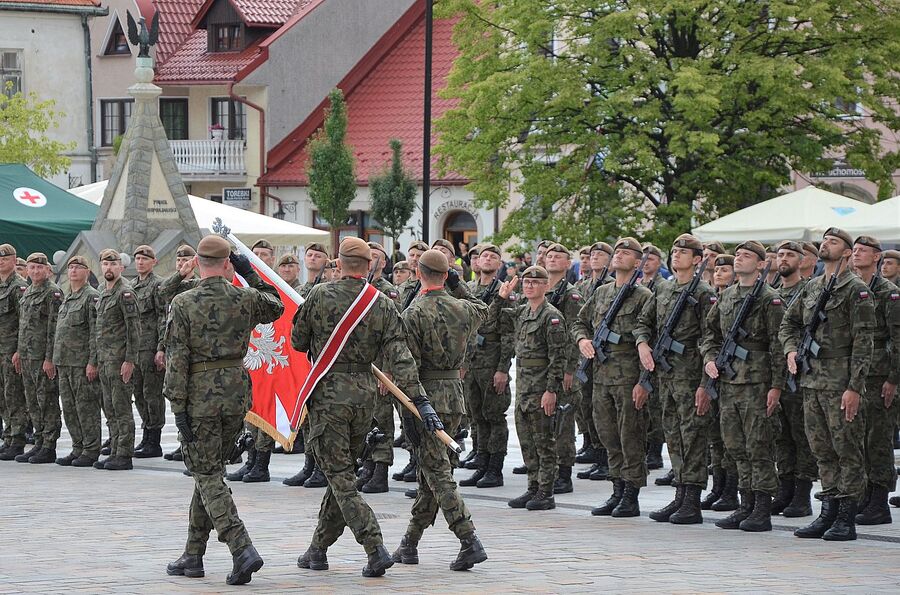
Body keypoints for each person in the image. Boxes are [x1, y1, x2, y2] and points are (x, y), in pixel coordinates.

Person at [292, 237, 439, 578]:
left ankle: (375, 547)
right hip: (365, 396)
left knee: (341, 478)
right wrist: (419, 399)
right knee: (341, 474)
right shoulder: (382, 303)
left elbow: (298, 342)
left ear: (338, 262)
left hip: (329, 394)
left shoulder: (320, 295)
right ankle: (317, 549)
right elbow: (400, 356)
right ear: (369, 265)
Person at [164, 234, 282, 585]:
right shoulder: (245, 296)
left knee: (206, 473)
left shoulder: (184, 301)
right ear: (228, 263)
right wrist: (250, 272)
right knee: (209, 471)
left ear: (198, 263)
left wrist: (177, 406)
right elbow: (276, 304)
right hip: (235, 393)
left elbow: (177, 358)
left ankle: (240, 547)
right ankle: (193, 554)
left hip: (200, 395)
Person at [391, 249, 488, 570]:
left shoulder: (414, 313)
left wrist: (415, 403)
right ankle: (409, 543)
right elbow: (483, 309)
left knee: (437, 473)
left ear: (418, 274)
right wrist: (458, 286)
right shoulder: (462, 308)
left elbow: (408, 366)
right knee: (430, 472)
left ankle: (468, 538)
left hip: (426, 398)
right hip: (454, 397)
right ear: (446, 275)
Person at [780, 227, 875, 541]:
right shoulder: (812, 287)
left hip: (840, 383)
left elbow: (864, 343)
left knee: (847, 450)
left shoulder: (856, 290)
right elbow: (789, 323)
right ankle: (828, 512)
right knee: (821, 450)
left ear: (846, 252)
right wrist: (791, 350)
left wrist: (854, 387)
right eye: (824, 240)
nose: (825, 244)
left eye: (833, 242)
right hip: (812, 381)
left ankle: (846, 517)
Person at [702, 240, 784, 532]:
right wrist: (710, 358)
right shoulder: (726, 296)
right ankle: (745, 503)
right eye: (737, 254)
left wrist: (776, 386)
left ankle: (761, 508)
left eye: (746, 256)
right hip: (729, 381)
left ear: (761, 264)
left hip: (758, 383)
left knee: (759, 446)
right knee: (735, 446)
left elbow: (778, 345)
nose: (739, 259)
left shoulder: (769, 298)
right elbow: (710, 334)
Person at [634, 234, 716, 524]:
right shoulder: (664, 288)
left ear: (697, 259)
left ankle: (692, 499)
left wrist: (705, 385)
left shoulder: (704, 293)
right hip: (666, 375)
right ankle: (680, 493)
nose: (676, 255)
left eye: (683, 252)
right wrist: (643, 344)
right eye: (674, 251)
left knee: (693, 436)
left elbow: (711, 338)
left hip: (691, 375)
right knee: (673, 434)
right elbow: (643, 322)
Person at [573, 238, 653, 518]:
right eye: (617, 251)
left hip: (629, 375)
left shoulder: (644, 296)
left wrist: (644, 381)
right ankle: (617, 489)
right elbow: (580, 322)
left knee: (630, 435)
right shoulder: (602, 292)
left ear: (637, 262)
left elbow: (649, 339)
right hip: (601, 375)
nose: (619, 255)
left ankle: (631, 494)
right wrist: (582, 340)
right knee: (607, 434)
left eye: (626, 253)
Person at [496, 266, 566, 511]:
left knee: (544, 441)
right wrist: (501, 298)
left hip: (541, 387)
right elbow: (493, 320)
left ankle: (546, 492)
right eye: (526, 282)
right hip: (524, 385)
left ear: (546, 286)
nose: (529, 286)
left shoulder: (551, 316)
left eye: (535, 282)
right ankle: (533, 486)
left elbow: (558, 357)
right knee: (527, 440)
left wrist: (551, 390)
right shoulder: (522, 311)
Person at [849, 235, 899, 525]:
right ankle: (865, 496)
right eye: (854, 250)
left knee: (878, 439)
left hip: (881, 375)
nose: (857, 254)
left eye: (863, 251)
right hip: (857, 374)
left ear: (876, 257)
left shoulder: (889, 292)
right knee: (860, 438)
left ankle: (879, 502)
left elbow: (898, 338)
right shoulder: (851, 287)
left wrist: (893, 378)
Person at [459, 244, 514, 489]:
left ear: (499, 264)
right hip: (472, 361)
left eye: (493, 256)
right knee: (477, 415)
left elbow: (509, 334)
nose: (488, 259)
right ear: (477, 262)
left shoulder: (505, 291)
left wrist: (503, 369)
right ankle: (481, 462)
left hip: (492, 361)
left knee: (494, 415)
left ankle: (494, 468)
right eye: (484, 256)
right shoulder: (469, 289)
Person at [770, 241, 816, 518]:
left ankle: (802, 494)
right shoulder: (772, 293)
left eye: (790, 255)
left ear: (802, 260)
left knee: (802, 435)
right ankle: (784, 489)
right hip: (774, 373)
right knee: (781, 435)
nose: (784, 259)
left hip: (800, 373)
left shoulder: (809, 291)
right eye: (780, 255)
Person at [283, 242, 330, 486]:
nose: (312, 258)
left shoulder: (327, 290)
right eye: (309, 255)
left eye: (318, 256)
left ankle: (321, 467)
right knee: (306, 416)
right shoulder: (299, 290)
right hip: (301, 358)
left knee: (321, 418)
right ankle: (309, 465)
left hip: (322, 360)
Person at [12, 252, 62, 464]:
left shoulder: (52, 293)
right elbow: (23, 325)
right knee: (32, 402)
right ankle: (39, 442)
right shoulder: (28, 291)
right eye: (31, 267)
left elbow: (54, 328)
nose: (35, 271)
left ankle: (49, 446)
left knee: (47, 401)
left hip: (42, 358)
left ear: (48, 270)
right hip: (27, 357)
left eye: (39, 267)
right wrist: (19, 351)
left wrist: (50, 358)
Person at [93, 249, 140, 471]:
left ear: (121, 267)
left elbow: (134, 329)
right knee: (110, 409)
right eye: (105, 264)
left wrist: (130, 360)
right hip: (104, 360)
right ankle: (114, 450)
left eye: (113, 264)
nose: (109, 268)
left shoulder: (125, 293)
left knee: (121, 408)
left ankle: (124, 454)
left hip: (119, 360)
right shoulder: (103, 292)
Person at [542, 243, 584, 495]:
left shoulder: (571, 295)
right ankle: (547, 469)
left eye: (559, 257)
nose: (553, 260)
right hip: (544, 367)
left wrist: (569, 369)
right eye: (550, 256)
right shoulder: (540, 290)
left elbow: (574, 333)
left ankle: (564, 473)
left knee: (563, 422)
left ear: (568, 264)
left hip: (564, 368)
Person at [52, 256, 102, 467]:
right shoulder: (68, 297)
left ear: (87, 272)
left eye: (78, 267)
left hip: (81, 364)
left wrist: (93, 361)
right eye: (71, 267)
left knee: (86, 407)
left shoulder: (91, 297)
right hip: (64, 362)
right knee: (70, 408)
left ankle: (91, 449)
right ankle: (77, 447)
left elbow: (96, 332)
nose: (73, 271)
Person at [701, 253, 739, 508]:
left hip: (736, 376)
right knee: (715, 434)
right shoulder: (717, 299)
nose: (719, 274)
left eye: (725, 270)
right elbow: (708, 335)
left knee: (731, 438)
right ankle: (718, 486)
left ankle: (731, 490)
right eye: (717, 270)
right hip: (712, 371)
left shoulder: (737, 299)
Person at [574, 241, 613, 481]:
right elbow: (580, 320)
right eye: (592, 254)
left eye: (600, 254)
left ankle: (605, 458)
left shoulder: (612, 286)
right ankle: (595, 450)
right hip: (585, 353)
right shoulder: (584, 286)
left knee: (602, 410)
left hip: (606, 358)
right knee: (586, 405)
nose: (594, 257)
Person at [130, 245, 167, 459]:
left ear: (154, 262)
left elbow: (163, 317)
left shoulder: (158, 285)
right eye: (137, 259)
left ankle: (154, 439)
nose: (140, 262)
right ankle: (146, 434)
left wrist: (161, 348)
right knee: (139, 393)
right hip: (135, 348)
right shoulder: (131, 286)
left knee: (152, 394)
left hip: (150, 347)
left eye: (145, 259)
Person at [162, 244, 197, 463]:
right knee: (178, 400)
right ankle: (183, 443)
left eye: (186, 260)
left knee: (192, 403)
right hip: (175, 351)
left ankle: (191, 446)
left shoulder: (198, 284)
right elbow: (162, 293)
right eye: (179, 261)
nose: (182, 264)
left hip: (192, 352)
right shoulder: (174, 286)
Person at [0, 245, 28, 460]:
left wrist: (19, 349)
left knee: (14, 396)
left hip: (11, 351)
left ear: (14, 260)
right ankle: (8, 436)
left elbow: (24, 322)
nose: (1, 261)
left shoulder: (19, 287)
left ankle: (17, 440)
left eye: (5, 258)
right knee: (3, 396)